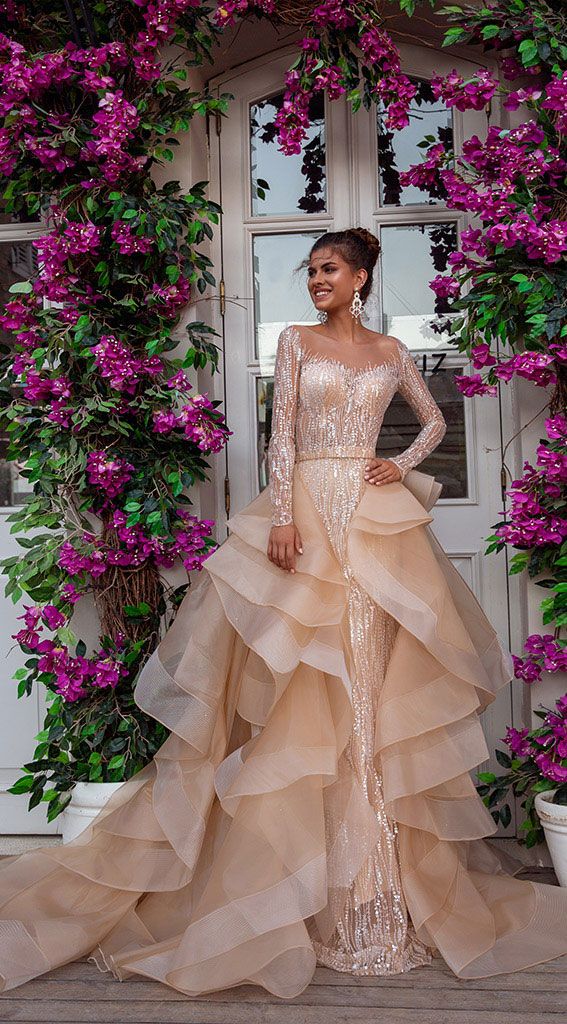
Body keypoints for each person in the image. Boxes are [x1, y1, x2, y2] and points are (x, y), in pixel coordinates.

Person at [1, 227, 566, 998]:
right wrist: (280, 519)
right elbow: (282, 431)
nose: (315, 281)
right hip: (305, 516)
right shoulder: (297, 340)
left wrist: (395, 464)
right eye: (310, 271)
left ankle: (375, 904)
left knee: (366, 696)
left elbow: (433, 422)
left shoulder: (391, 352)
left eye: (329, 269)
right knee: (305, 691)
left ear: (361, 275)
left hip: (372, 528)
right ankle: (309, 894)